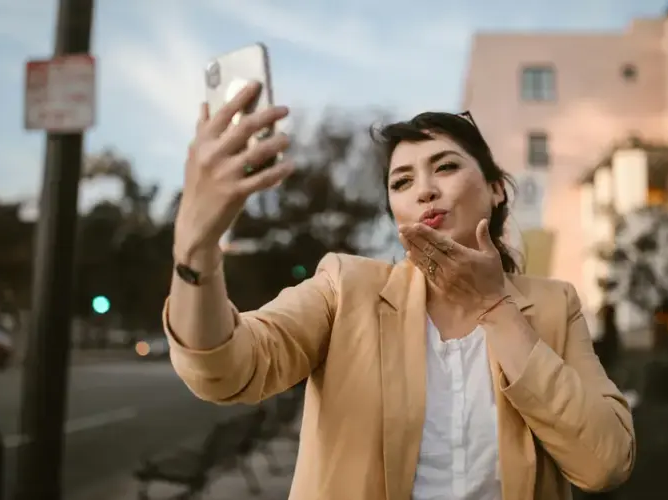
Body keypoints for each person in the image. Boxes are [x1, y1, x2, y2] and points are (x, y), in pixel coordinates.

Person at [165, 82, 636, 500]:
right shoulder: (344, 288)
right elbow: (224, 369)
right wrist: (196, 248)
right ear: (394, 212)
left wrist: (496, 307)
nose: (424, 190)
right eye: (402, 181)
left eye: (445, 166)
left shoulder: (556, 305)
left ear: (495, 189)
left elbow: (605, 464)